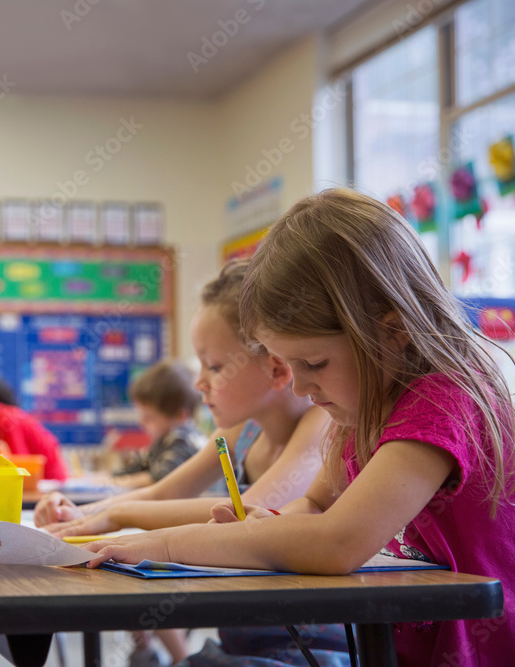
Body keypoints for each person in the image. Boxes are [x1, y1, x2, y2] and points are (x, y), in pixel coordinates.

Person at [85, 189, 515, 666]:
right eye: (291, 364)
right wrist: (278, 524)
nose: (300, 385)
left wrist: (165, 545)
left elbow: (338, 543)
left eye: (313, 362)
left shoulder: (442, 400)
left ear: (392, 333)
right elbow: (316, 502)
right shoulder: (359, 410)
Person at [35, 260, 330, 538]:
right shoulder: (247, 428)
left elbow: (250, 509)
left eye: (214, 366)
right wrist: (76, 513)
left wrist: (120, 514)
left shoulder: (322, 422)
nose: (199, 382)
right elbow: (161, 493)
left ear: (276, 368)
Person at [111, 360, 202, 490]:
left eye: (149, 417)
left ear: (180, 415)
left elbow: (160, 479)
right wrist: (107, 477)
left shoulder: (183, 439)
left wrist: (115, 482)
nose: (141, 422)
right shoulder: (163, 440)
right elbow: (137, 468)